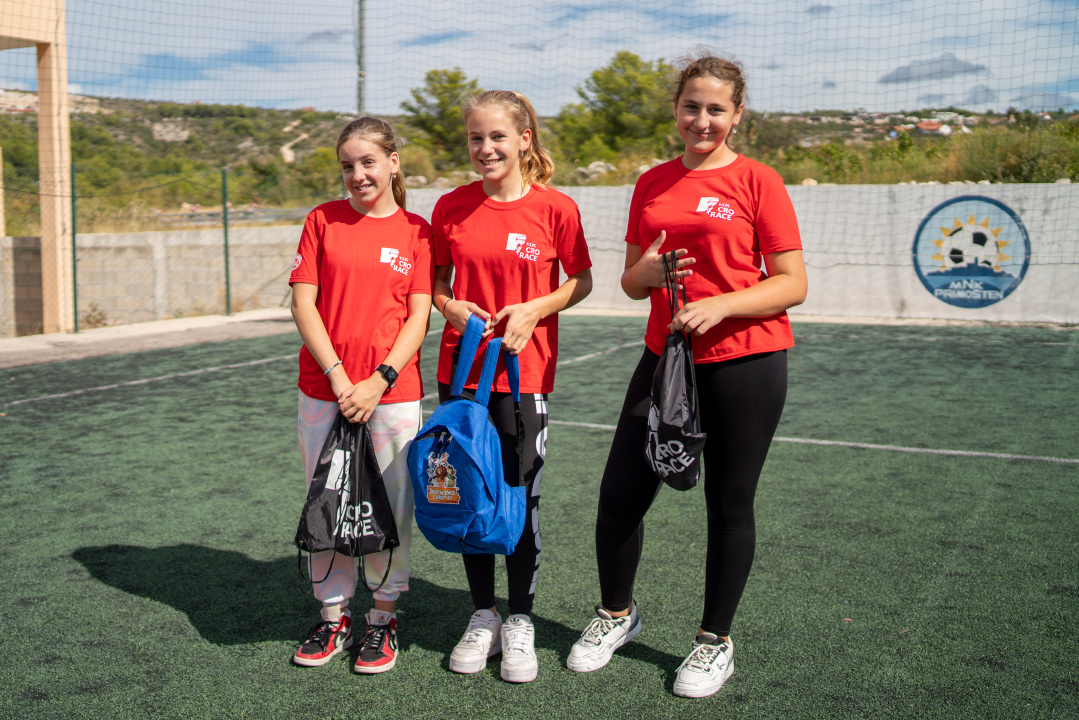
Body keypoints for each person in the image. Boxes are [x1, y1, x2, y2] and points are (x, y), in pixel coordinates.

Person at [566, 54, 808, 698]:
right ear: (676, 109)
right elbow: (629, 278)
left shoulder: (760, 180)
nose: (702, 119)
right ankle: (616, 614)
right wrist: (645, 277)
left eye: (716, 109)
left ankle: (712, 643)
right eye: (691, 106)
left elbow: (793, 284)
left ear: (736, 115)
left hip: (747, 360)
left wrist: (722, 303)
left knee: (728, 505)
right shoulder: (650, 182)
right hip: (665, 358)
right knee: (619, 493)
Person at [430, 90, 593, 683]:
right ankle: (483, 614)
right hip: (460, 376)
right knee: (469, 495)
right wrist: (448, 307)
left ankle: (520, 618)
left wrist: (535, 310)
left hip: (526, 378)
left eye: (497, 136)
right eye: (476, 138)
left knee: (520, 497)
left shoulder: (556, 209)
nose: (485, 148)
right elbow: (437, 284)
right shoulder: (449, 207)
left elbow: (580, 281)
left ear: (524, 139)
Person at [289, 117, 433, 674]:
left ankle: (382, 620)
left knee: (390, 508)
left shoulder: (418, 232)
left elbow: (418, 316)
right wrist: (342, 377)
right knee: (327, 501)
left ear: (393, 162)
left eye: (368, 162)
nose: (357, 175)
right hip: (325, 391)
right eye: (347, 166)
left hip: (392, 396)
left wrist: (380, 380)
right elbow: (304, 303)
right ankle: (332, 618)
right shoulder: (321, 220)